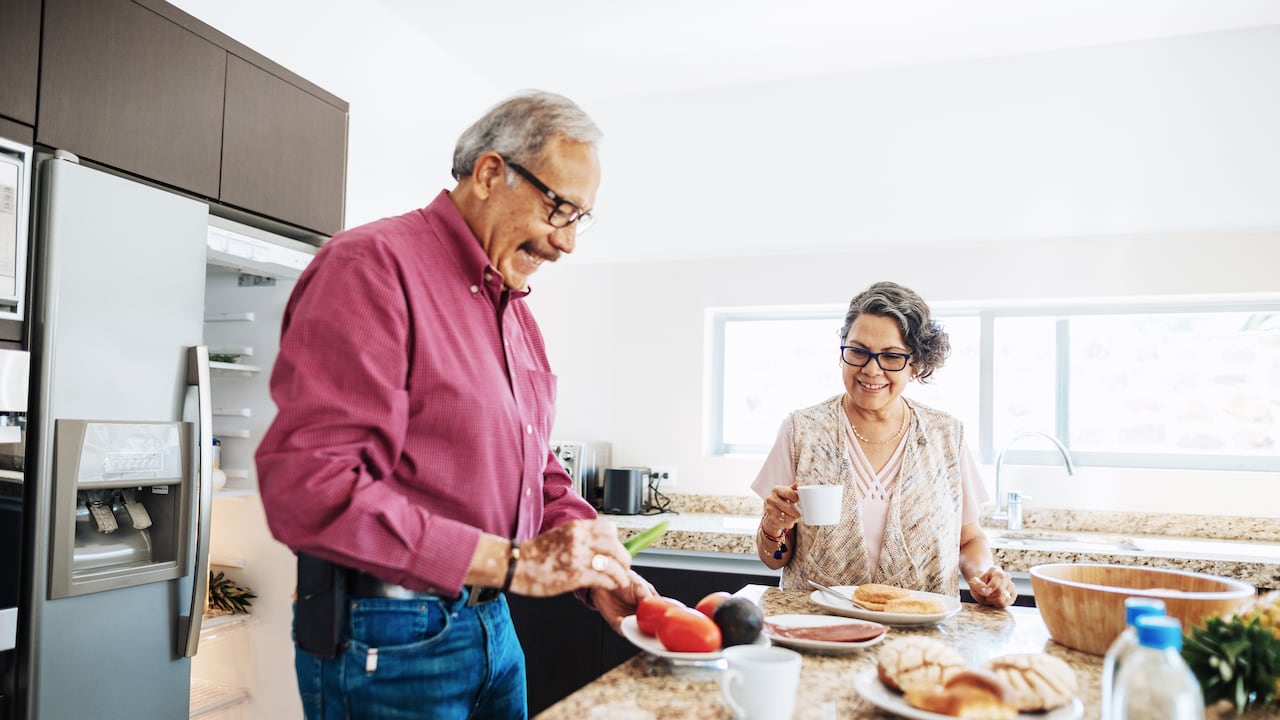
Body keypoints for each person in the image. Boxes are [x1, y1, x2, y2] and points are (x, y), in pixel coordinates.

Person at [255, 90, 654, 719]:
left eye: (581, 218)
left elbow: (531, 464)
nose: (568, 243)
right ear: (491, 173)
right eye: (561, 209)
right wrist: (513, 562)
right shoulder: (371, 267)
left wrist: (595, 568)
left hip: (493, 626)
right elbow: (311, 485)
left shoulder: (513, 310)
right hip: (389, 636)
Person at [750, 281, 1017, 608]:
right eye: (859, 351)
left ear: (915, 364)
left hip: (920, 632)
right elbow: (774, 558)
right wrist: (773, 528)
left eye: (891, 356)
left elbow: (970, 540)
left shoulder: (946, 436)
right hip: (818, 627)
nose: (871, 369)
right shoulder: (801, 431)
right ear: (842, 352)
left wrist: (985, 574)